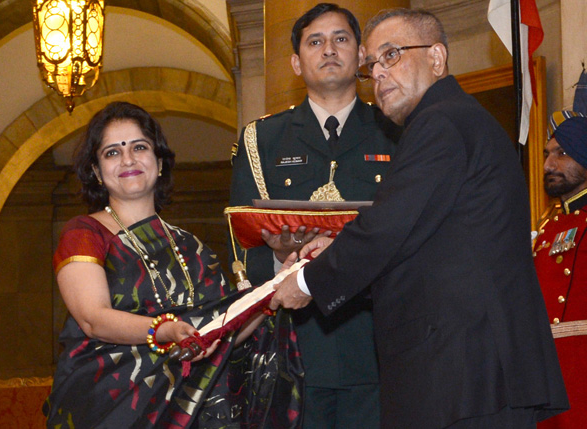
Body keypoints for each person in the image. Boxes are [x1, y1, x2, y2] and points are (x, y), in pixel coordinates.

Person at [271, 8, 569, 428]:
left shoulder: (442, 121)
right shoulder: (451, 121)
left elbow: (389, 226)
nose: (378, 74)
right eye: (371, 66)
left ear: (436, 58)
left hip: (468, 374)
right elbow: (420, 243)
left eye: (391, 55)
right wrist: (336, 250)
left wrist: (306, 281)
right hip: (467, 376)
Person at [43, 101, 302, 428]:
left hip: (191, 408)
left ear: (160, 163)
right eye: (112, 152)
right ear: (95, 171)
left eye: (139, 147)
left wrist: (273, 290)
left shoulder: (191, 247)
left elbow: (222, 332)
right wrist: (163, 331)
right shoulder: (84, 233)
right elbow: (93, 319)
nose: (127, 159)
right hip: (109, 407)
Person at [229, 3, 400, 428]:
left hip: (380, 343)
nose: (329, 49)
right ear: (295, 62)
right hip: (293, 345)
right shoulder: (261, 139)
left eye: (341, 39)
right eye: (315, 41)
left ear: (361, 54)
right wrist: (278, 257)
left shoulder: (396, 129)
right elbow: (241, 242)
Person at [534, 111, 587, 428]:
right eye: (546, 154)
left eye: (562, 153)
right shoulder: (545, 230)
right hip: (548, 386)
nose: (548, 165)